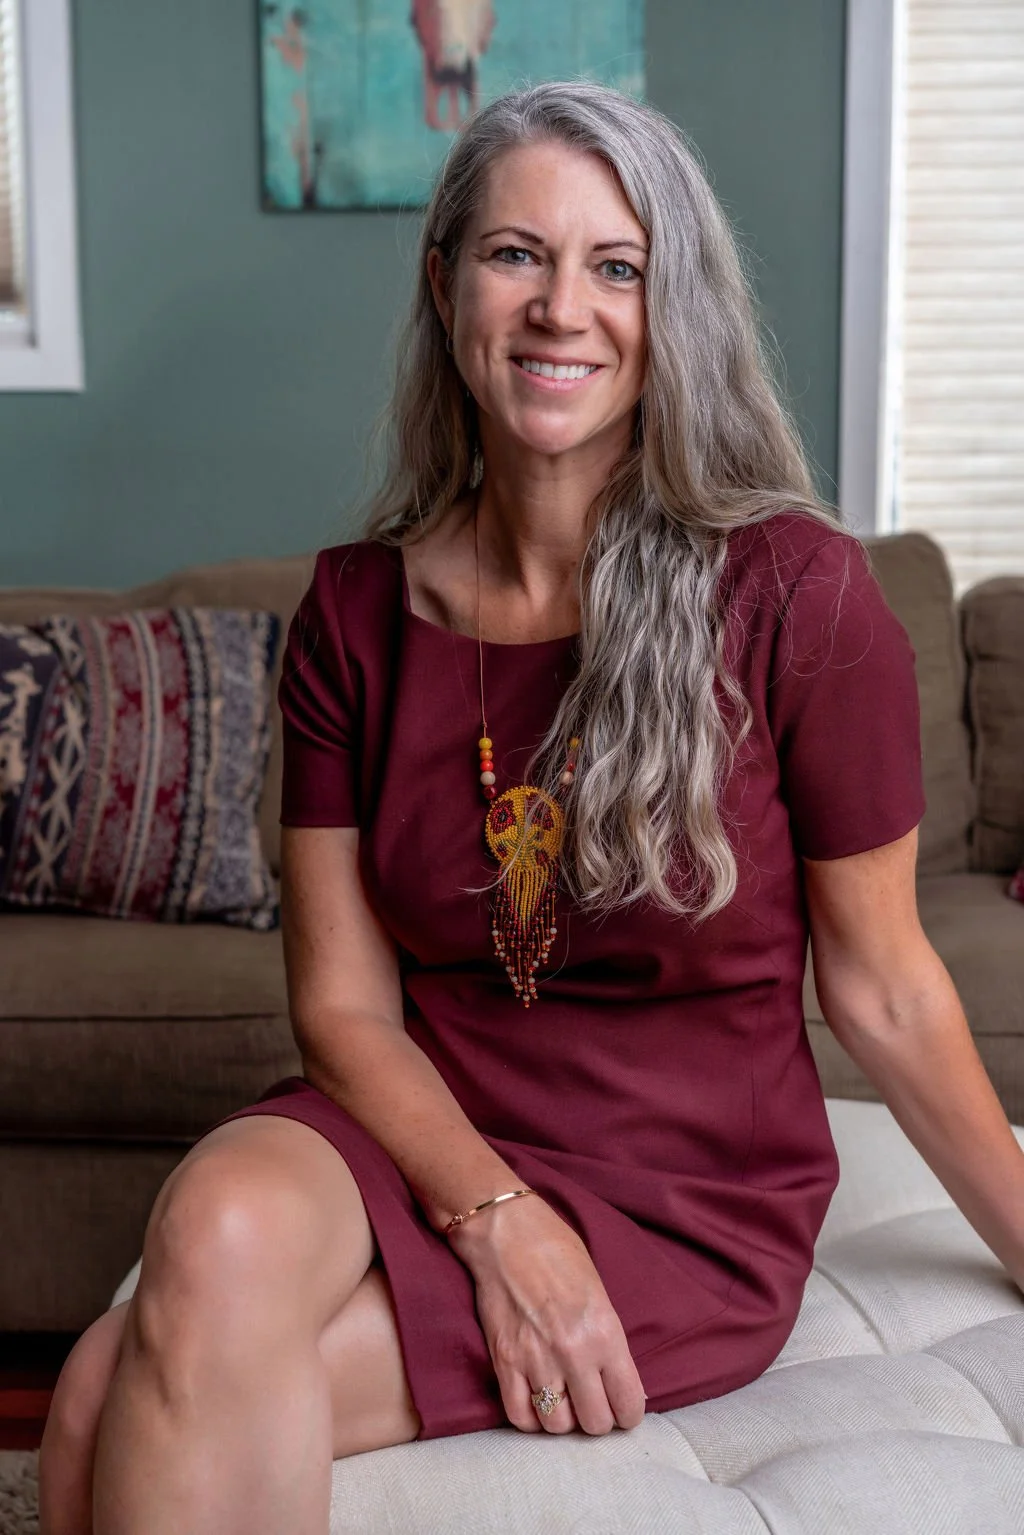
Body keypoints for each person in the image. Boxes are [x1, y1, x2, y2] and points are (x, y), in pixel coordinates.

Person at [39, 81, 1024, 1535]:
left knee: (94, 1403)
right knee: (212, 1221)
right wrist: (499, 1222)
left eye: (614, 267)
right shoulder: (354, 614)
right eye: (517, 255)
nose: (563, 307)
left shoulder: (796, 596)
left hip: (682, 1192)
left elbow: (880, 986)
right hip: (416, 1117)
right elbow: (347, 1014)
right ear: (445, 285)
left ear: (665, 307)